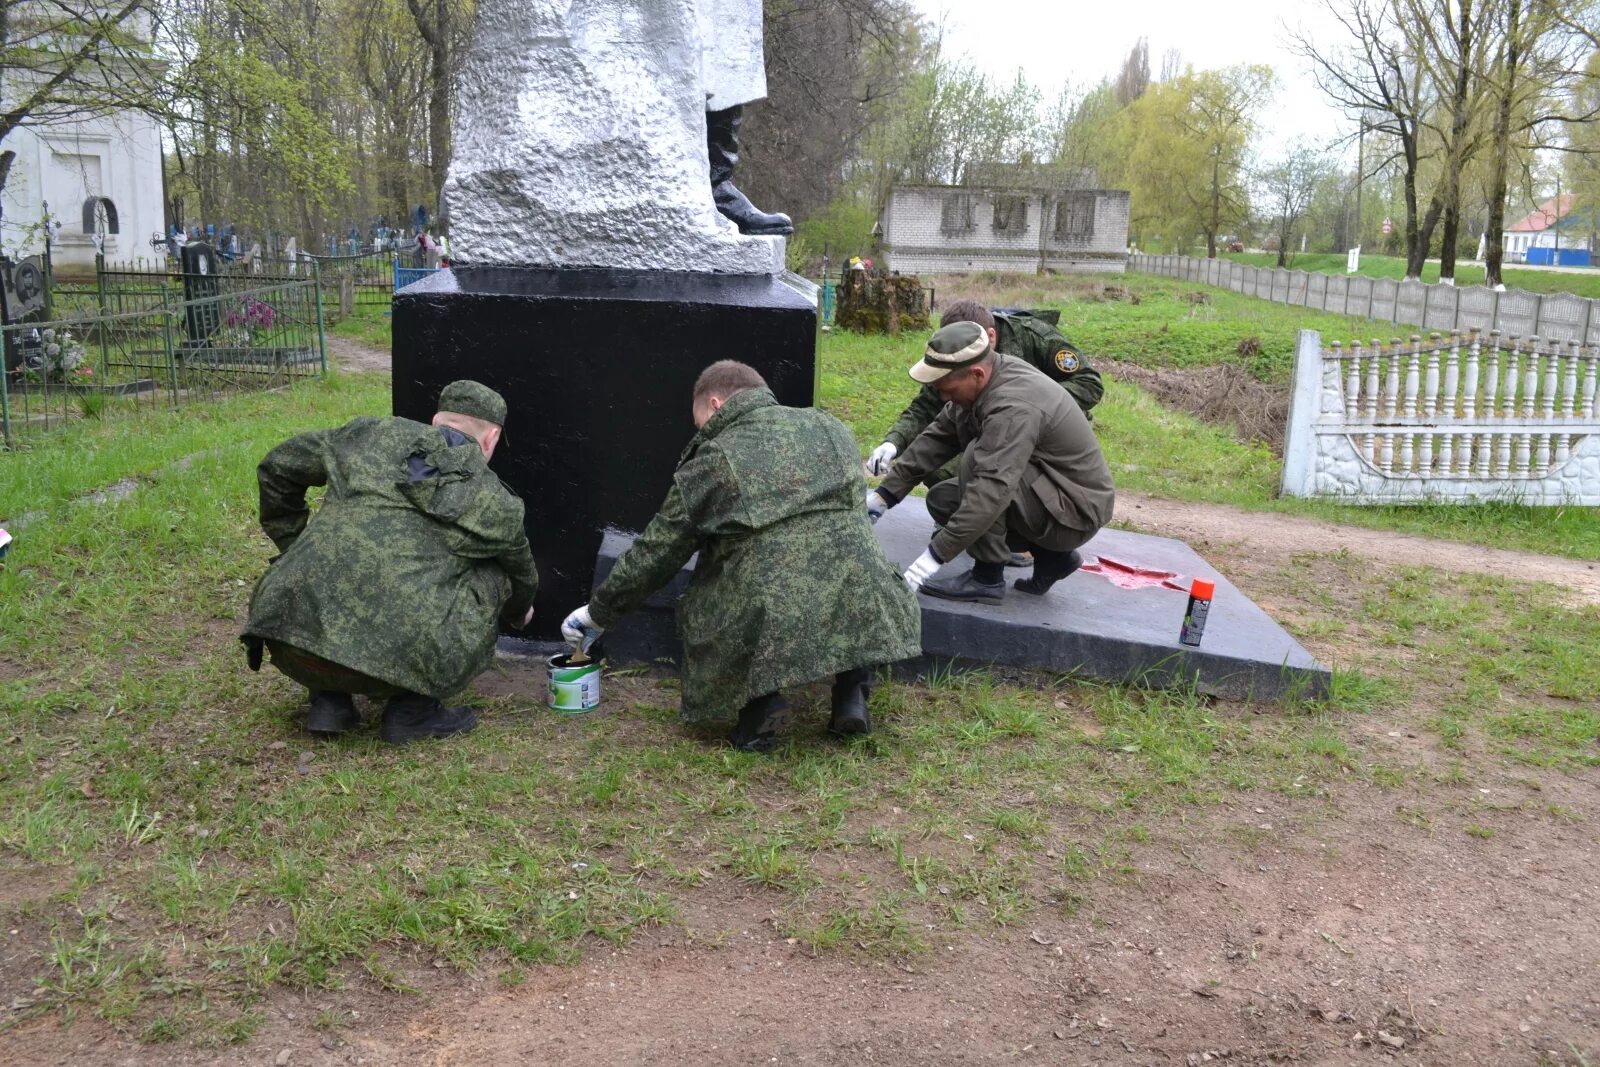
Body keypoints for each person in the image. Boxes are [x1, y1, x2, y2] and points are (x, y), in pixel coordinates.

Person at [560, 360, 920, 752]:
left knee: (723, 592)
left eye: (699, 422)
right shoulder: (829, 426)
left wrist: (599, 611)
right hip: (866, 591)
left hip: (773, 604)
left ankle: (760, 707)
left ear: (715, 404)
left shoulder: (715, 458)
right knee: (839, 562)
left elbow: (657, 552)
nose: (700, 432)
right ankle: (852, 691)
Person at [240, 381, 538, 745]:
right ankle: (412, 711)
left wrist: (293, 544)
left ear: (434, 422)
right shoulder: (496, 503)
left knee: (335, 555)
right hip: (394, 665)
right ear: (491, 439)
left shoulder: (366, 434)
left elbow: (277, 468)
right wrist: (518, 613)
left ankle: (328, 699)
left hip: (289, 638)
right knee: (496, 572)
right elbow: (523, 576)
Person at [867, 321, 1115, 606]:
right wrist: (883, 496)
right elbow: (937, 437)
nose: (943, 397)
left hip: (1075, 512)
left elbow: (991, 487)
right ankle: (1053, 558)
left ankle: (987, 578)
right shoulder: (988, 379)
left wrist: (930, 560)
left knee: (977, 459)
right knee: (944, 499)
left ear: (976, 374)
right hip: (1053, 497)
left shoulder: (1012, 405)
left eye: (947, 389)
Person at [863, 300, 1103, 484]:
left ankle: (1014, 532)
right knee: (939, 470)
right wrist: (892, 444)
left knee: (995, 475)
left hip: (1044, 433)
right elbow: (926, 406)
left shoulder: (1033, 337)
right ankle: (962, 516)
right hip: (986, 427)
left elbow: (1089, 382)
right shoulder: (952, 351)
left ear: (990, 335)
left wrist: (1035, 407)